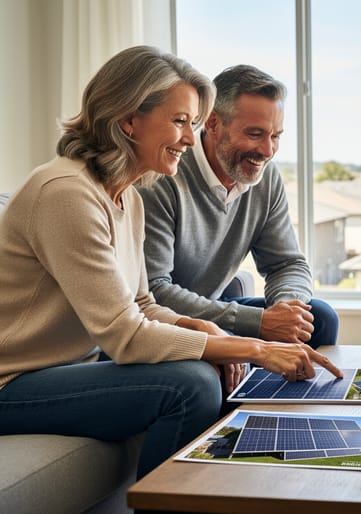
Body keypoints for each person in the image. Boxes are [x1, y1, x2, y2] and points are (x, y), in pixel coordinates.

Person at [0, 46, 343, 480]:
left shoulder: (125, 194)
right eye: (181, 121)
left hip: (78, 363)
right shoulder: (66, 192)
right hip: (14, 382)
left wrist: (203, 327)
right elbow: (125, 333)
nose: (189, 137)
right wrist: (254, 345)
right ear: (128, 120)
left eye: (193, 123)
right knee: (192, 384)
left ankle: (261, 465)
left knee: (308, 321)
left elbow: (142, 303)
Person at [138, 64, 338, 349]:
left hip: (214, 308)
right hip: (168, 322)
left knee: (320, 318)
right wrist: (258, 322)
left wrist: (287, 310)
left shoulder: (266, 177)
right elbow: (155, 292)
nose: (267, 151)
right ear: (212, 124)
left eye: (276, 136)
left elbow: (287, 263)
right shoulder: (162, 176)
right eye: (255, 134)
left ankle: (287, 394)